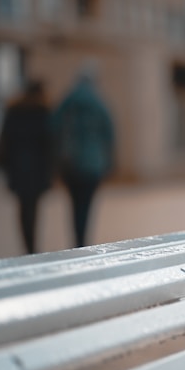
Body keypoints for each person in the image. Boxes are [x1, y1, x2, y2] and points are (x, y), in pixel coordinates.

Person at [52, 63, 115, 248]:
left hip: (71, 164)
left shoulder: (68, 100)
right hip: (93, 165)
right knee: (86, 205)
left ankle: (76, 239)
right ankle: (83, 239)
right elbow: (109, 134)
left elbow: (54, 126)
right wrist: (109, 161)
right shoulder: (98, 102)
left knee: (74, 204)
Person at [0, 81, 53, 254]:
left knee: (22, 208)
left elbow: (5, 139)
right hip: (37, 170)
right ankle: (32, 244)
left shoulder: (13, 111)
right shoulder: (43, 113)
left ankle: (27, 244)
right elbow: (49, 144)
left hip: (18, 168)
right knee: (33, 208)